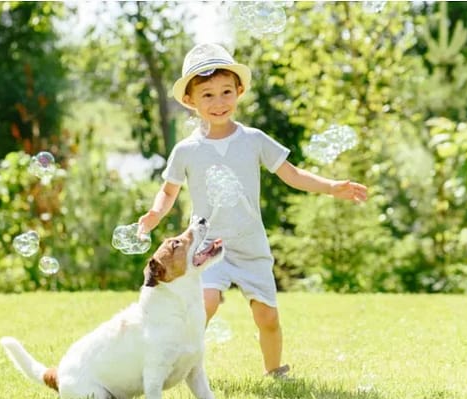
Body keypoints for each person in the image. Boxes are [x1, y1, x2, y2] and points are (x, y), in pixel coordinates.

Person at [137, 43, 368, 379]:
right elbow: (169, 190)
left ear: (240, 91)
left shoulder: (254, 139)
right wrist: (155, 213)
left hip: (250, 243)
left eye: (226, 92)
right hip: (206, 245)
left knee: (267, 317)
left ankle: (275, 371)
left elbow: (292, 174)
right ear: (190, 101)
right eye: (207, 95)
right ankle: (181, 368)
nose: (219, 102)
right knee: (206, 303)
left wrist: (331, 186)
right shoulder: (186, 150)